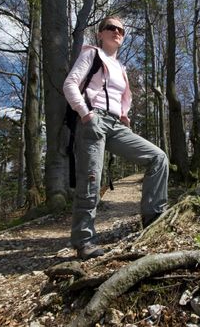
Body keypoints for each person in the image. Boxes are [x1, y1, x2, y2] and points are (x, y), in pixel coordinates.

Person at [63, 16, 169, 260]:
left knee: (158, 158)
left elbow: (123, 97)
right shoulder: (91, 54)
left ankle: (153, 217)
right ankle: (84, 240)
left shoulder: (121, 68)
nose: (116, 32)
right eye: (111, 27)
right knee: (91, 179)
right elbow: (69, 85)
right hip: (93, 121)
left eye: (121, 29)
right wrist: (86, 114)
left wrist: (124, 115)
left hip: (116, 124)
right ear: (100, 33)